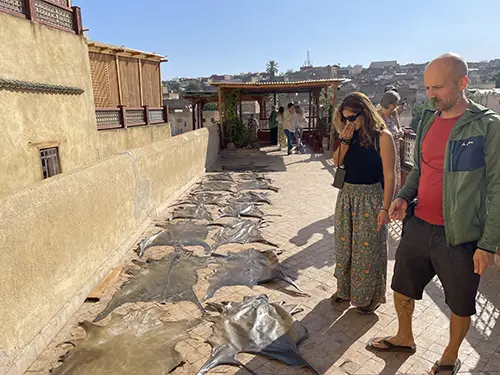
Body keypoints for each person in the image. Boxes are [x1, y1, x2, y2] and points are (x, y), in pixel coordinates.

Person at [367, 53, 500, 375]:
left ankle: (450, 357)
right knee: (401, 287)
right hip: (418, 223)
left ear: (463, 83)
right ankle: (404, 336)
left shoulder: (487, 125)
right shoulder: (426, 117)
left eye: (437, 87)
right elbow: (419, 169)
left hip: (461, 235)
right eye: (427, 87)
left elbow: (497, 187)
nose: (429, 95)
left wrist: (488, 244)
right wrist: (402, 196)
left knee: (460, 303)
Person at [331, 92, 396, 315]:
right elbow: (337, 162)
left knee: (368, 251)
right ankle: (345, 289)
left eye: (352, 117)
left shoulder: (383, 136)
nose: (348, 122)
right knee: (344, 247)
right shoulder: (348, 134)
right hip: (347, 196)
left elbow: (390, 175)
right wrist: (345, 140)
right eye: (344, 118)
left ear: (365, 113)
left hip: (370, 198)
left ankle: (370, 296)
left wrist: (385, 207)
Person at [378, 90, 404, 192]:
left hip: (395, 153)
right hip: (384, 153)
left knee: (394, 180)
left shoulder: (393, 114)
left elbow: (399, 128)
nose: (395, 106)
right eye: (394, 104)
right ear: (389, 104)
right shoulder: (377, 116)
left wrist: (400, 132)